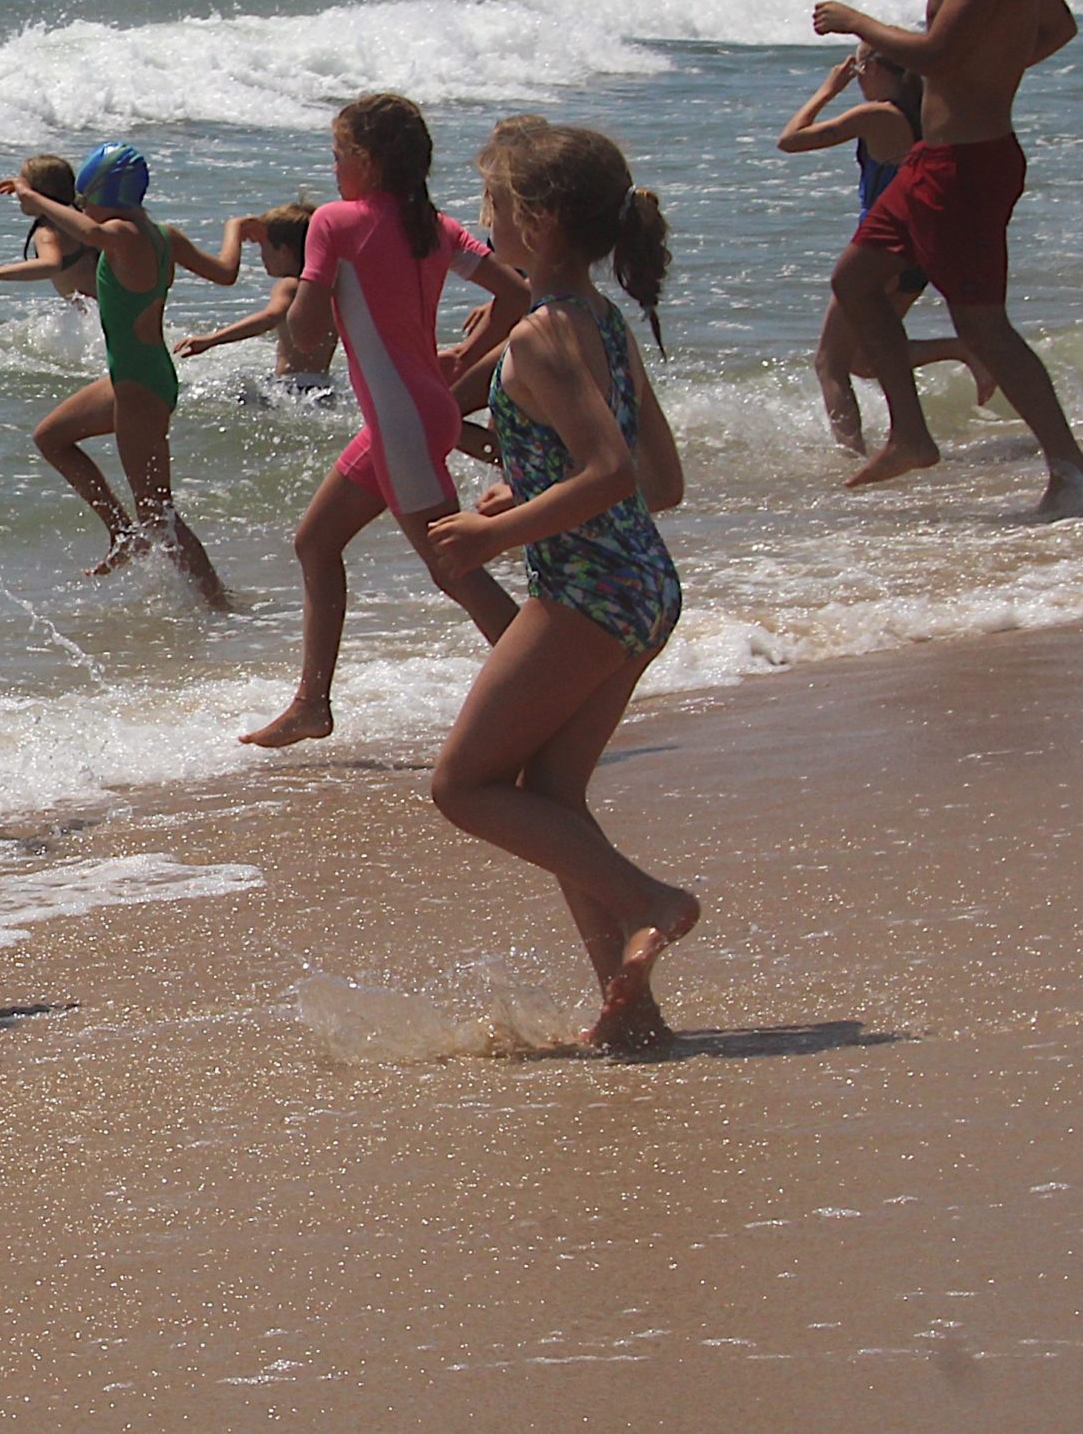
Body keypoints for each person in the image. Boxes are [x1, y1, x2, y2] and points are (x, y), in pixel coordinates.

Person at [425, 122, 697, 1057]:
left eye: (492, 208)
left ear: (535, 223)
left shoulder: (541, 333)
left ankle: (652, 901)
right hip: (642, 585)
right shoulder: (600, 319)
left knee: (462, 787)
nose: (482, 224)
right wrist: (535, 486)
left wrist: (495, 530)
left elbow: (615, 469)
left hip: (587, 590)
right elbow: (664, 480)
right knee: (553, 798)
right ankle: (633, 1014)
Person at [813, 0, 1083, 504]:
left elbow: (934, 53)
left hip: (966, 164)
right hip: (939, 160)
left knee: (983, 325)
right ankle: (910, 435)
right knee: (855, 284)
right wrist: (986, 69)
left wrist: (857, 21)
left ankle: (1072, 469)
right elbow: (1059, 28)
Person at [239, 96, 531, 750]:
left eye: (338, 154)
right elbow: (516, 294)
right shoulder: (434, 224)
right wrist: (460, 360)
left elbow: (309, 329)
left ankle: (546, 682)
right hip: (419, 409)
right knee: (316, 542)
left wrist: (312, 277)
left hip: (401, 420)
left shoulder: (335, 223)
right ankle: (311, 704)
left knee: (453, 567)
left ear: (365, 162)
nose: (334, 165)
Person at [0, 142, 235, 607]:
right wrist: (235, 229)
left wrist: (35, 197)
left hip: (138, 384)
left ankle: (219, 604)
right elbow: (226, 273)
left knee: (157, 510)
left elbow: (87, 228)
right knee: (51, 437)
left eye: (86, 193)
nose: (81, 202)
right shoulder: (164, 234)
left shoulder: (122, 234)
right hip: (137, 374)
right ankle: (123, 533)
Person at [776, 47, 995, 452]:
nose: (855, 77)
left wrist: (827, 89)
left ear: (875, 67)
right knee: (865, 360)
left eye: (857, 69)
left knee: (830, 362)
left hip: (879, 252)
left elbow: (789, 140)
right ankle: (960, 348)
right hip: (917, 252)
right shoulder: (927, 111)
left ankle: (851, 454)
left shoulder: (879, 115)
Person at [173, 202, 340, 402]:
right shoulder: (327, 288)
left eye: (264, 246)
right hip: (322, 386)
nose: (261, 256)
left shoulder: (289, 286)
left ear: (284, 252)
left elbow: (269, 317)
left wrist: (211, 339)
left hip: (291, 388)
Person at [0, 155, 98, 303]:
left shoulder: (48, 231)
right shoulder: (78, 217)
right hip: (104, 308)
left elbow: (50, 265)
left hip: (96, 318)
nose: (17, 194)